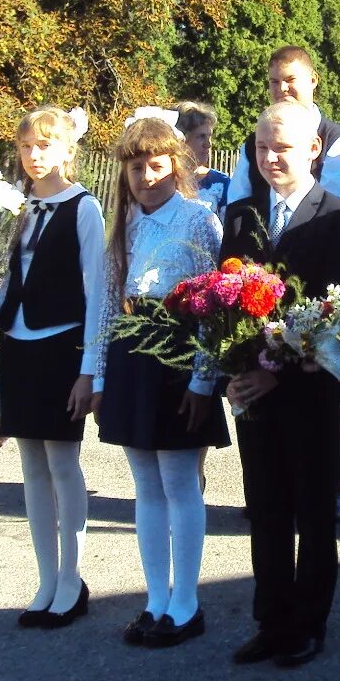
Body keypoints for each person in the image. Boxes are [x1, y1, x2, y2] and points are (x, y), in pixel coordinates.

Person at [221, 100, 340, 669]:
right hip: (255, 393)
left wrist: (275, 367)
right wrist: (235, 370)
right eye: (261, 147)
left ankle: (309, 622)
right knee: (267, 507)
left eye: (282, 147)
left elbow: (331, 305)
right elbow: (225, 300)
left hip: (307, 388)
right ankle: (271, 619)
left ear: (312, 150)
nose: (271, 157)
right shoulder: (240, 214)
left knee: (312, 508)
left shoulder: (337, 214)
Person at [0, 106, 106, 628]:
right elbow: (7, 276)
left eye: (46, 145)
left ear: (69, 151)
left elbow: (98, 293)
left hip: (63, 348)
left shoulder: (83, 208)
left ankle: (72, 579)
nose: (35, 154)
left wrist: (90, 370)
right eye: (27, 145)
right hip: (20, 348)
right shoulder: (14, 206)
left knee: (63, 465)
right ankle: (45, 578)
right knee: (30, 466)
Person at [95, 112, 228, 648]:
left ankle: (186, 602)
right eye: (136, 168)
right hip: (132, 355)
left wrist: (203, 380)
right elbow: (108, 302)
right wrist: (100, 374)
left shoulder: (198, 219)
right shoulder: (122, 226)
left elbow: (215, 308)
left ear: (177, 165)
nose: (146, 176)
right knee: (145, 486)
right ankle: (154, 598)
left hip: (176, 355)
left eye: (156, 165)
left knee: (178, 482)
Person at [226, 46, 340, 209]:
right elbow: (236, 202)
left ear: (313, 80)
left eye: (290, 80)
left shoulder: (335, 141)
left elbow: (332, 207)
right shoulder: (252, 144)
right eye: (274, 82)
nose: (282, 88)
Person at [173, 101, 231, 220]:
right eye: (201, 137)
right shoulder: (163, 182)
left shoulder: (221, 183)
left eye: (210, 137)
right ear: (181, 140)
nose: (208, 144)